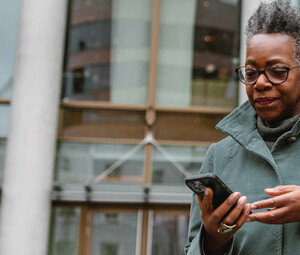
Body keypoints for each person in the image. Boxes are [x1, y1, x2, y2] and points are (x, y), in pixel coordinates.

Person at [184, 1, 300, 254]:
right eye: (250, 72)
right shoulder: (220, 156)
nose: (260, 82)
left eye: (277, 71)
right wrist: (214, 239)